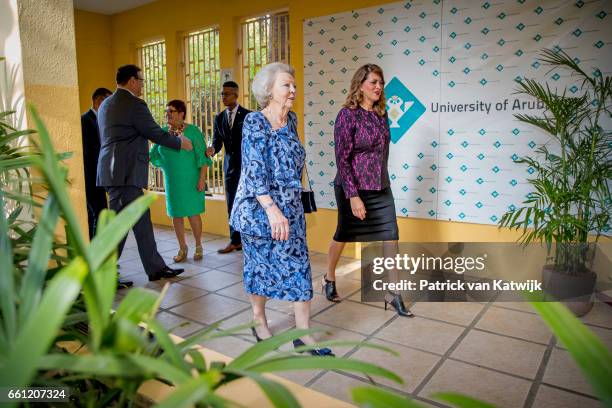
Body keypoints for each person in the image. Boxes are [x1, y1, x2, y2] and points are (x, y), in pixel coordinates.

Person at [230, 63, 334, 356]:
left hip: (290, 209)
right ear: (269, 90)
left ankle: (303, 333)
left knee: (300, 267)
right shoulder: (254, 122)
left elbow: (295, 163)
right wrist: (272, 210)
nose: (293, 90)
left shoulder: (292, 121)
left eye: (294, 86)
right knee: (260, 266)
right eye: (286, 85)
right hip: (260, 209)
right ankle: (258, 319)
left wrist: (293, 203)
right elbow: (253, 171)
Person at [325, 63, 413, 317]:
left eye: (381, 83)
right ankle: (329, 278)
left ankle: (394, 293)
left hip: (380, 186)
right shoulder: (347, 115)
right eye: (373, 82)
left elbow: (383, 152)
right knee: (343, 234)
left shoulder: (381, 114)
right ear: (360, 85)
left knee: (391, 235)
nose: (378, 87)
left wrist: (381, 180)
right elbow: (342, 159)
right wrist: (353, 195)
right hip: (351, 187)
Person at [97, 64, 193, 282]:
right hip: (124, 173)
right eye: (141, 81)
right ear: (132, 81)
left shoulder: (105, 105)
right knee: (119, 226)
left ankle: (155, 268)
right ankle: (104, 276)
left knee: (140, 220)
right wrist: (180, 142)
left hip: (113, 171)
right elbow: (154, 132)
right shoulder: (134, 104)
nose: (142, 85)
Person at [150, 100, 212, 262]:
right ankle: (182, 247)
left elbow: (203, 158)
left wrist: (201, 180)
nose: (168, 114)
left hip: (191, 180)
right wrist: (165, 166)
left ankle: (198, 245)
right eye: (167, 111)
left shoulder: (193, 131)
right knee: (176, 215)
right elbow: (153, 154)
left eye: (171, 111)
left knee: (192, 213)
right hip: (173, 181)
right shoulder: (163, 133)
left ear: (181, 113)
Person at [206, 81, 251, 254]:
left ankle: (249, 240)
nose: (223, 97)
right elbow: (217, 142)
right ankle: (235, 241)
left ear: (236, 95)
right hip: (230, 169)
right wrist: (212, 149)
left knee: (248, 204)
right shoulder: (219, 118)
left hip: (247, 168)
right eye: (222, 94)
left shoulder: (248, 115)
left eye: (227, 93)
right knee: (232, 205)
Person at [81, 87, 112, 239]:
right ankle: (97, 258)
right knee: (97, 215)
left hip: (100, 177)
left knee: (100, 215)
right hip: (91, 177)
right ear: (99, 101)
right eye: (108, 102)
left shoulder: (101, 121)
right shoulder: (85, 121)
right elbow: (89, 153)